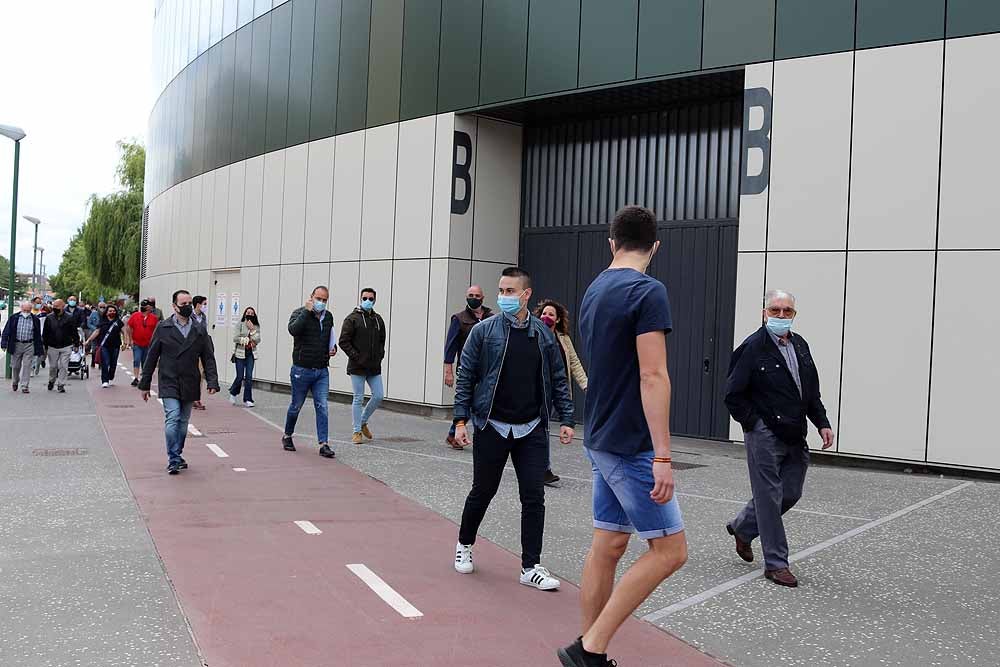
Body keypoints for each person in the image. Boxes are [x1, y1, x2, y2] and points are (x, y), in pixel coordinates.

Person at [560, 206, 687, 667]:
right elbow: (652, 375)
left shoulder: (596, 287)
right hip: (631, 443)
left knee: (610, 542)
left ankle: (590, 647)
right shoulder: (647, 290)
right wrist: (664, 455)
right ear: (654, 246)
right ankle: (588, 649)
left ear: (611, 242)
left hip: (601, 434)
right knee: (670, 551)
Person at [452, 267, 575, 591]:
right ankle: (464, 544)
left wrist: (567, 418)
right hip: (491, 424)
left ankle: (530, 566)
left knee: (534, 496)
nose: (503, 296)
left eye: (510, 291)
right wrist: (461, 420)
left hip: (531, 427)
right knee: (483, 490)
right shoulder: (484, 331)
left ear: (526, 294)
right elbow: (466, 376)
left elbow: (558, 378)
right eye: (501, 291)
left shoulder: (544, 335)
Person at [723, 289, 834, 588]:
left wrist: (822, 423)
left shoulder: (800, 346)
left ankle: (744, 528)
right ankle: (776, 563)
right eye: (775, 310)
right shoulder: (752, 348)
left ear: (794, 314)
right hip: (765, 435)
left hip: (795, 433)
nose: (782, 316)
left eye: (787, 311)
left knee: (791, 492)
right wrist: (754, 425)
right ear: (764, 313)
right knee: (769, 498)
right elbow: (733, 395)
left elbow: (810, 393)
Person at [139, 290, 220, 475]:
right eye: (183, 304)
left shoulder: (199, 329)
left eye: (190, 303)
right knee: (173, 417)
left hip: (190, 380)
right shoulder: (163, 327)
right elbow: (151, 356)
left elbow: (208, 356)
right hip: (169, 380)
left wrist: (212, 381)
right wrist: (144, 385)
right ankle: (173, 458)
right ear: (174, 306)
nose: (188, 307)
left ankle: (177, 453)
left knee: (183, 423)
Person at [534, 299, 589, 486]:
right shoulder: (533, 334)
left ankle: (541, 467)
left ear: (557, 320)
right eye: (544, 314)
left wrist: (586, 385)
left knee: (543, 427)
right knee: (541, 427)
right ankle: (543, 468)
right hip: (535, 389)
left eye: (550, 315)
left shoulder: (563, 339)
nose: (546, 317)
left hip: (554, 389)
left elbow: (574, 363)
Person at [283, 285, 338, 459]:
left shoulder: (328, 317)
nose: (321, 302)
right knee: (296, 406)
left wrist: (333, 348)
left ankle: (324, 443)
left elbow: (330, 337)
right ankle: (287, 435)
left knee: (322, 406)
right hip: (302, 369)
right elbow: (293, 330)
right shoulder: (299, 313)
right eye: (318, 298)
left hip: (321, 370)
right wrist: (306, 313)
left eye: (324, 300)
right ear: (311, 297)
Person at [443, 285, 493, 449]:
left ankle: (454, 433)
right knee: (468, 401)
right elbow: (450, 347)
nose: (473, 297)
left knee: (477, 402)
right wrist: (448, 372)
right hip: (467, 369)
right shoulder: (459, 318)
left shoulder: (491, 318)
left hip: (487, 369)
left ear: (482, 298)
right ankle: (454, 432)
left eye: (477, 295)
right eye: (470, 295)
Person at [338, 287, 387, 445]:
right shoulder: (352, 319)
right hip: (357, 366)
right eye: (365, 298)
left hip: (374, 366)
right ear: (360, 299)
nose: (368, 301)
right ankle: (357, 431)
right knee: (358, 398)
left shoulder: (378, 320)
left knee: (378, 395)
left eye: (371, 299)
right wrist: (356, 357)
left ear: (375, 300)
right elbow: (343, 341)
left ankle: (363, 421)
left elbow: (382, 341)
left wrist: (380, 355)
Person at [1, 300, 44, 393]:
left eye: (28, 311)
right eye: (25, 310)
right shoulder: (14, 318)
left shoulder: (35, 319)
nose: (26, 313)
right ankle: (15, 381)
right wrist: (4, 343)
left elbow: (37, 335)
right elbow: (6, 331)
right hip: (16, 344)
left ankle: (25, 386)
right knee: (15, 366)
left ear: (31, 310)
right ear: (21, 309)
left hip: (29, 344)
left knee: (27, 365)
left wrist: (40, 349)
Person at [42, 299, 81, 393]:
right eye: (54, 306)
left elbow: (74, 332)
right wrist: (45, 346)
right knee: (53, 366)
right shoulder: (49, 317)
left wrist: (76, 344)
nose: (55, 308)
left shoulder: (69, 317)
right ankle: (51, 380)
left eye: (57, 306)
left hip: (66, 345)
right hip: (52, 346)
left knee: (64, 366)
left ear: (63, 307)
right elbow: (45, 333)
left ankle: (61, 384)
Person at [86, 304, 125, 388]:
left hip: (115, 346)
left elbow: (124, 332)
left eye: (114, 311)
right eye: (110, 311)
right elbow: (96, 332)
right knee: (105, 362)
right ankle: (105, 380)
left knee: (113, 363)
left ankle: (111, 375)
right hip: (104, 345)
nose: (112, 312)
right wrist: (88, 340)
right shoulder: (102, 322)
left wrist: (126, 342)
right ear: (106, 312)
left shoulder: (118, 322)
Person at [229, 306, 261, 407]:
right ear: (245, 313)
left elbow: (258, 339)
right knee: (239, 376)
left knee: (249, 377)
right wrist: (247, 340)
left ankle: (248, 399)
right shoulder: (240, 324)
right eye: (248, 313)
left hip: (250, 354)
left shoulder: (256, 326)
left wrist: (252, 330)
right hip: (240, 353)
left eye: (252, 313)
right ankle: (233, 393)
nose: (250, 314)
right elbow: (235, 338)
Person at [125, 300, 159, 387]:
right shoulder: (135, 315)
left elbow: (156, 330)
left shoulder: (154, 318)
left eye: (146, 306)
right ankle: (136, 378)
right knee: (137, 359)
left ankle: (144, 377)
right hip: (137, 342)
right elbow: (129, 326)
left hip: (148, 344)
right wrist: (130, 339)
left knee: (145, 361)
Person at [190, 295, 209, 410]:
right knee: (190, 374)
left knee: (200, 374)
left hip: (201, 349)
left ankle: (197, 399)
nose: (205, 306)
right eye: (204, 304)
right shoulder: (189, 316)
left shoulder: (204, 317)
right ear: (198, 304)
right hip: (190, 350)